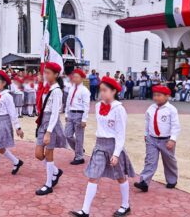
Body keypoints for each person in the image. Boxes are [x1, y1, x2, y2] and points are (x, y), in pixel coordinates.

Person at [70, 76, 135, 217]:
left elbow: (120, 134)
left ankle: (125, 205)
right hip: (99, 145)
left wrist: (116, 153)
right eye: (101, 90)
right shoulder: (99, 106)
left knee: (120, 176)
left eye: (105, 90)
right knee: (93, 176)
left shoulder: (119, 109)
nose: (102, 93)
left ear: (113, 91)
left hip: (113, 146)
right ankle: (85, 210)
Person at [134, 85, 180, 192]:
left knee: (169, 160)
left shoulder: (171, 110)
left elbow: (175, 125)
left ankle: (172, 180)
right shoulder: (151, 108)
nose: (156, 98)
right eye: (154, 95)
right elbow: (147, 122)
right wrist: (146, 134)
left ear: (167, 96)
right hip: (152, 138)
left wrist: (172, 139)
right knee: (150, 160)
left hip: (166, 140)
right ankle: (144, 182)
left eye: (159, 95)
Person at [34, 62, 66, 196]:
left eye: (48, 73)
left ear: (56, 74)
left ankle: (48, 184)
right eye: (45, 72)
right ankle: (55, 171)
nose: (45, 75)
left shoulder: (57, 91)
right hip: (44, 121)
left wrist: (48, 132)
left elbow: (55, 113)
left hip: (51, 124)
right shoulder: (48, 88)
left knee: (49, 153)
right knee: (38, 154)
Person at [65, 69, 90, 165]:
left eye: (76, 77)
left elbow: (86, 106)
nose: (74, 78)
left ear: (82, 78)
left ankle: (79, 157)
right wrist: (67, 114)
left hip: (79, 114)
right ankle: (79, 149)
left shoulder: (85, 91)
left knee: (79, 137)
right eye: (73, 77)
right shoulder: (71, 88)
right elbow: (68, 102)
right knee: (67, 134)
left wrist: (84, 119)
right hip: (71, 113)